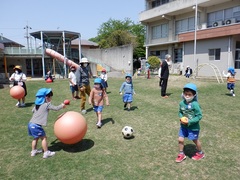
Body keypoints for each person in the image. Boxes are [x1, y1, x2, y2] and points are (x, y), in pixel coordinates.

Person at [28, 88, 66, 159]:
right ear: (46, 97)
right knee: (44, 138)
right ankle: (46, 153)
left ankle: (33, 151)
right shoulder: (47, 104)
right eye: (50, 96)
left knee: (35, 138)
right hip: (36, 125)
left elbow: (33, 111)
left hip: (30, 124)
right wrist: (62, 105)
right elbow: (56, 108)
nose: (51, 98)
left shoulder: (36, 105)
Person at [176, 83, 204, 163]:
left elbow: (199, 116)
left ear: (194, 95)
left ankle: (200, 153)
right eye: (186, 94)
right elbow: (180, 112)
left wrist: (190, 121)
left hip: (193, 127)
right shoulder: (182, 103)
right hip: (183, 126)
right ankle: (181, 154)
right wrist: (181, 118)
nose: (187, 96)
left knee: (195, 140)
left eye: (189, 94)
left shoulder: (195, 104)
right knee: (180, 139)